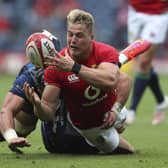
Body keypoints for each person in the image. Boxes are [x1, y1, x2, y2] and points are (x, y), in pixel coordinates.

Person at [24, 9, 135, 154]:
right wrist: (37, 105)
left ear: (91, 37)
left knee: (121, 115)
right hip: (91, 127)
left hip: (113, 108)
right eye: (70, 34)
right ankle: (112, 133)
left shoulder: (104, 51)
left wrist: (115, 109)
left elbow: (115, 82)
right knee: (129, 151)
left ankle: (118, 122)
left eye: (79, 35)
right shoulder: (55, 67)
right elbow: (48, 113)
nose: (73, 40)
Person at [125, 0, 168, 125]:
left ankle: (132, 110)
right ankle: (161, 101)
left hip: (157, 15)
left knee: (144, 62)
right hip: (135, 12)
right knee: (139, 62)